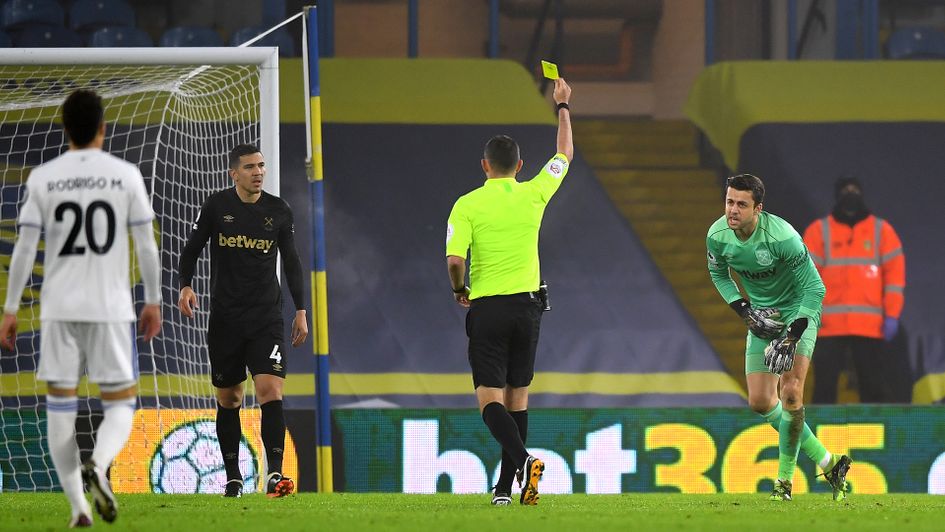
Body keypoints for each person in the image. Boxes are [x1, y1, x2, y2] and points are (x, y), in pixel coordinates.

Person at [0, 89, 162, 527]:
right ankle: (101, 463)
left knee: (60, 407)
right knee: (121, 404)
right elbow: (146, 244)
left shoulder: (43, 177)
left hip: (59, 308)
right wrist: (153, 299)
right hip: (110, 307)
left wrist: (11, 309)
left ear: (65, 128)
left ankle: (78, 508)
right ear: (103, 128)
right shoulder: (126, 174)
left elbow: (24, 248)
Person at [445, 78, 572, 506]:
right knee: (518, 398)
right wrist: (563, 106)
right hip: (529, 308)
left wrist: (460, 289)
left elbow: (454, 261)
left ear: (485, 166)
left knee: (488, 401)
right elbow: (564, 155)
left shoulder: (467, 204)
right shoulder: (534, 192)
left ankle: (523, 461)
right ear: (520, 167)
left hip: (488, 309)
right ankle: (504, 490)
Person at [706, 173, 852, 501]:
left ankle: (783, 484)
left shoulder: (782, 237)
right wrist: (744, 310)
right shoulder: (717, 236)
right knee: (759, 401)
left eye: (742, 204)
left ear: (758, 208)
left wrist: (793, 334)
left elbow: (815, 288)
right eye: (729, 202)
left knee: (790, 391)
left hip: (798, 311)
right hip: (763, 316)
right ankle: (830, 463)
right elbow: (718, 273)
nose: (733, 210)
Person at [176, 144, 307, 498]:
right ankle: (233, 477)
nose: (258, 172)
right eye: (250, 167)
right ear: (234, 173)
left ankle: (274, 476)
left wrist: (300, 309)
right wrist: (185, 285)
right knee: (230, 399)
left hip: (266, 318)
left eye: (261, 166)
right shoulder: (217, 207)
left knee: (270, 391)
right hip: (225, 319)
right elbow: (192, 248)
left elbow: (292, 261)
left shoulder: (279, 211)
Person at [802, 177, 908, 403]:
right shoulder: (819, 231)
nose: (850, 194)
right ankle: (819, 435)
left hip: (869, 327)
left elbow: (894, 279)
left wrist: (892, 315)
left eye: (855, 190)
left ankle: (875, 434)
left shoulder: (882, 232)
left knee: (873, 386)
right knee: (824, 387)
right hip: (828, 326)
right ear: (837, 195)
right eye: (845, 190)